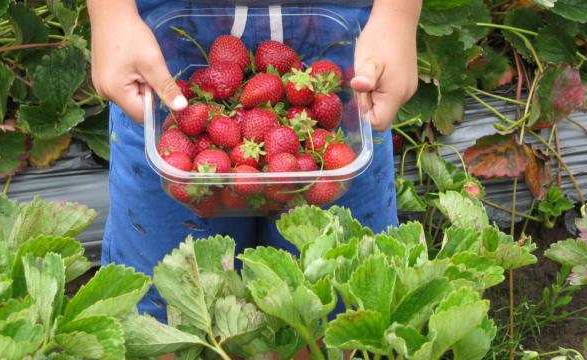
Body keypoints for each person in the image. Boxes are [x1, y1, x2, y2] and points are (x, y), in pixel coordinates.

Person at [88, 0, 421, 323]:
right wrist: (112, 15)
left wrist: (396, 15)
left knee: (337, 304)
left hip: (344, 49)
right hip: (164, 57)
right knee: (169, 303)